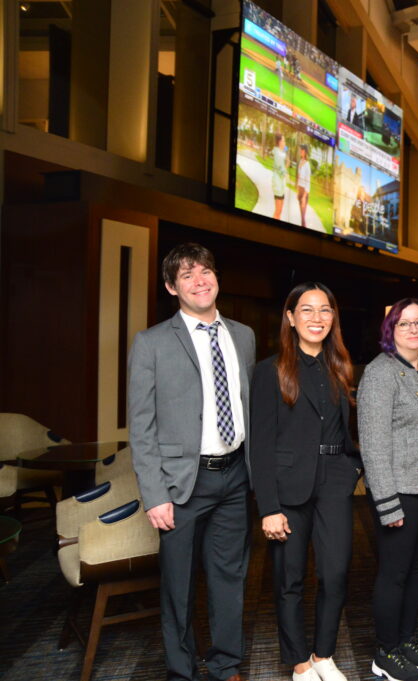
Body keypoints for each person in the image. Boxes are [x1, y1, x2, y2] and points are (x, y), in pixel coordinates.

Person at [128, 243, 255, 681]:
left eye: (205, 270)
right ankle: (182, 671)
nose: (199, 280)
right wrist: (154, 496)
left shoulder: (243, 335)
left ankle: (226, 665)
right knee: (178, 588)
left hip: (236, 476)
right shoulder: (151, 343)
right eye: (187, 275)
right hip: (181, 483)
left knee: (229, 579)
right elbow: (141, 427)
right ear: (171, 287)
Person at [250, 282, 359, 681]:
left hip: (334, 483)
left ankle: (324, 654)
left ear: (334, 318)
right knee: (289, 578)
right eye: (307, 310)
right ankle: (299, 662)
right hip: (288, 487)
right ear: (291, 318)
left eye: (325, 310)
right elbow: (260, 445)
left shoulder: (340, 366)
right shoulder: (271, 370)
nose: (317, 318)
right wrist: (269, 508)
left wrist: (351, 470)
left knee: (335, 572)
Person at [358, 299, 418, 681]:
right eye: (404, 323)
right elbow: (373, 444)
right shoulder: (380, 373)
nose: (413, 329)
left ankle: (404, 640)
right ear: (390, 330)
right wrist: (387, 504)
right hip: (399, 492)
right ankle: (385, 651)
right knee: (394, 574)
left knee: (416, 571)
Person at [272, 133, 288, 220]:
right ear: (279, 142)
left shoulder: (281, 153)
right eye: (284, 140)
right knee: (278, 211)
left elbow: (282, 168)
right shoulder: (278, 154)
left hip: (281, 186)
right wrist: (286, 172)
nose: (285, 142)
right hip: (278, 186)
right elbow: (281, 171)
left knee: (279, 211)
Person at [296, 145, 311, 228]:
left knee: (303, 218)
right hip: (300, 190)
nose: (300, 151)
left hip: (305, 192)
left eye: (301, 150)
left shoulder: (307, 165)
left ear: (305, 152)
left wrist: (304, 196)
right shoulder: (300, 162)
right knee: (301, 215)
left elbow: (308, 181)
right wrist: (298, 191)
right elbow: (298, 177)